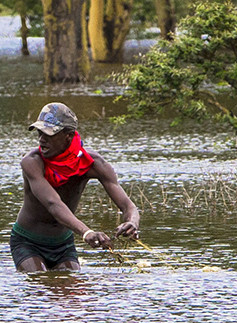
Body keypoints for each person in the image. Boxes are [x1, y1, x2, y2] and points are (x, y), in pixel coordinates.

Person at [10, 102, 140, 271]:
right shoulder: (32, 162)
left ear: (68, 135)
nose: (42, 139)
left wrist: (132, 223)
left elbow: (128, 206)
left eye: (49, 134)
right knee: (39, 281)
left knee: (71, 285)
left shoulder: (93, 163)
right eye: (39, 133)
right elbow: (53, 203)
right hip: (28, 241)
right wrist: (86, 232)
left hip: (63, 243)